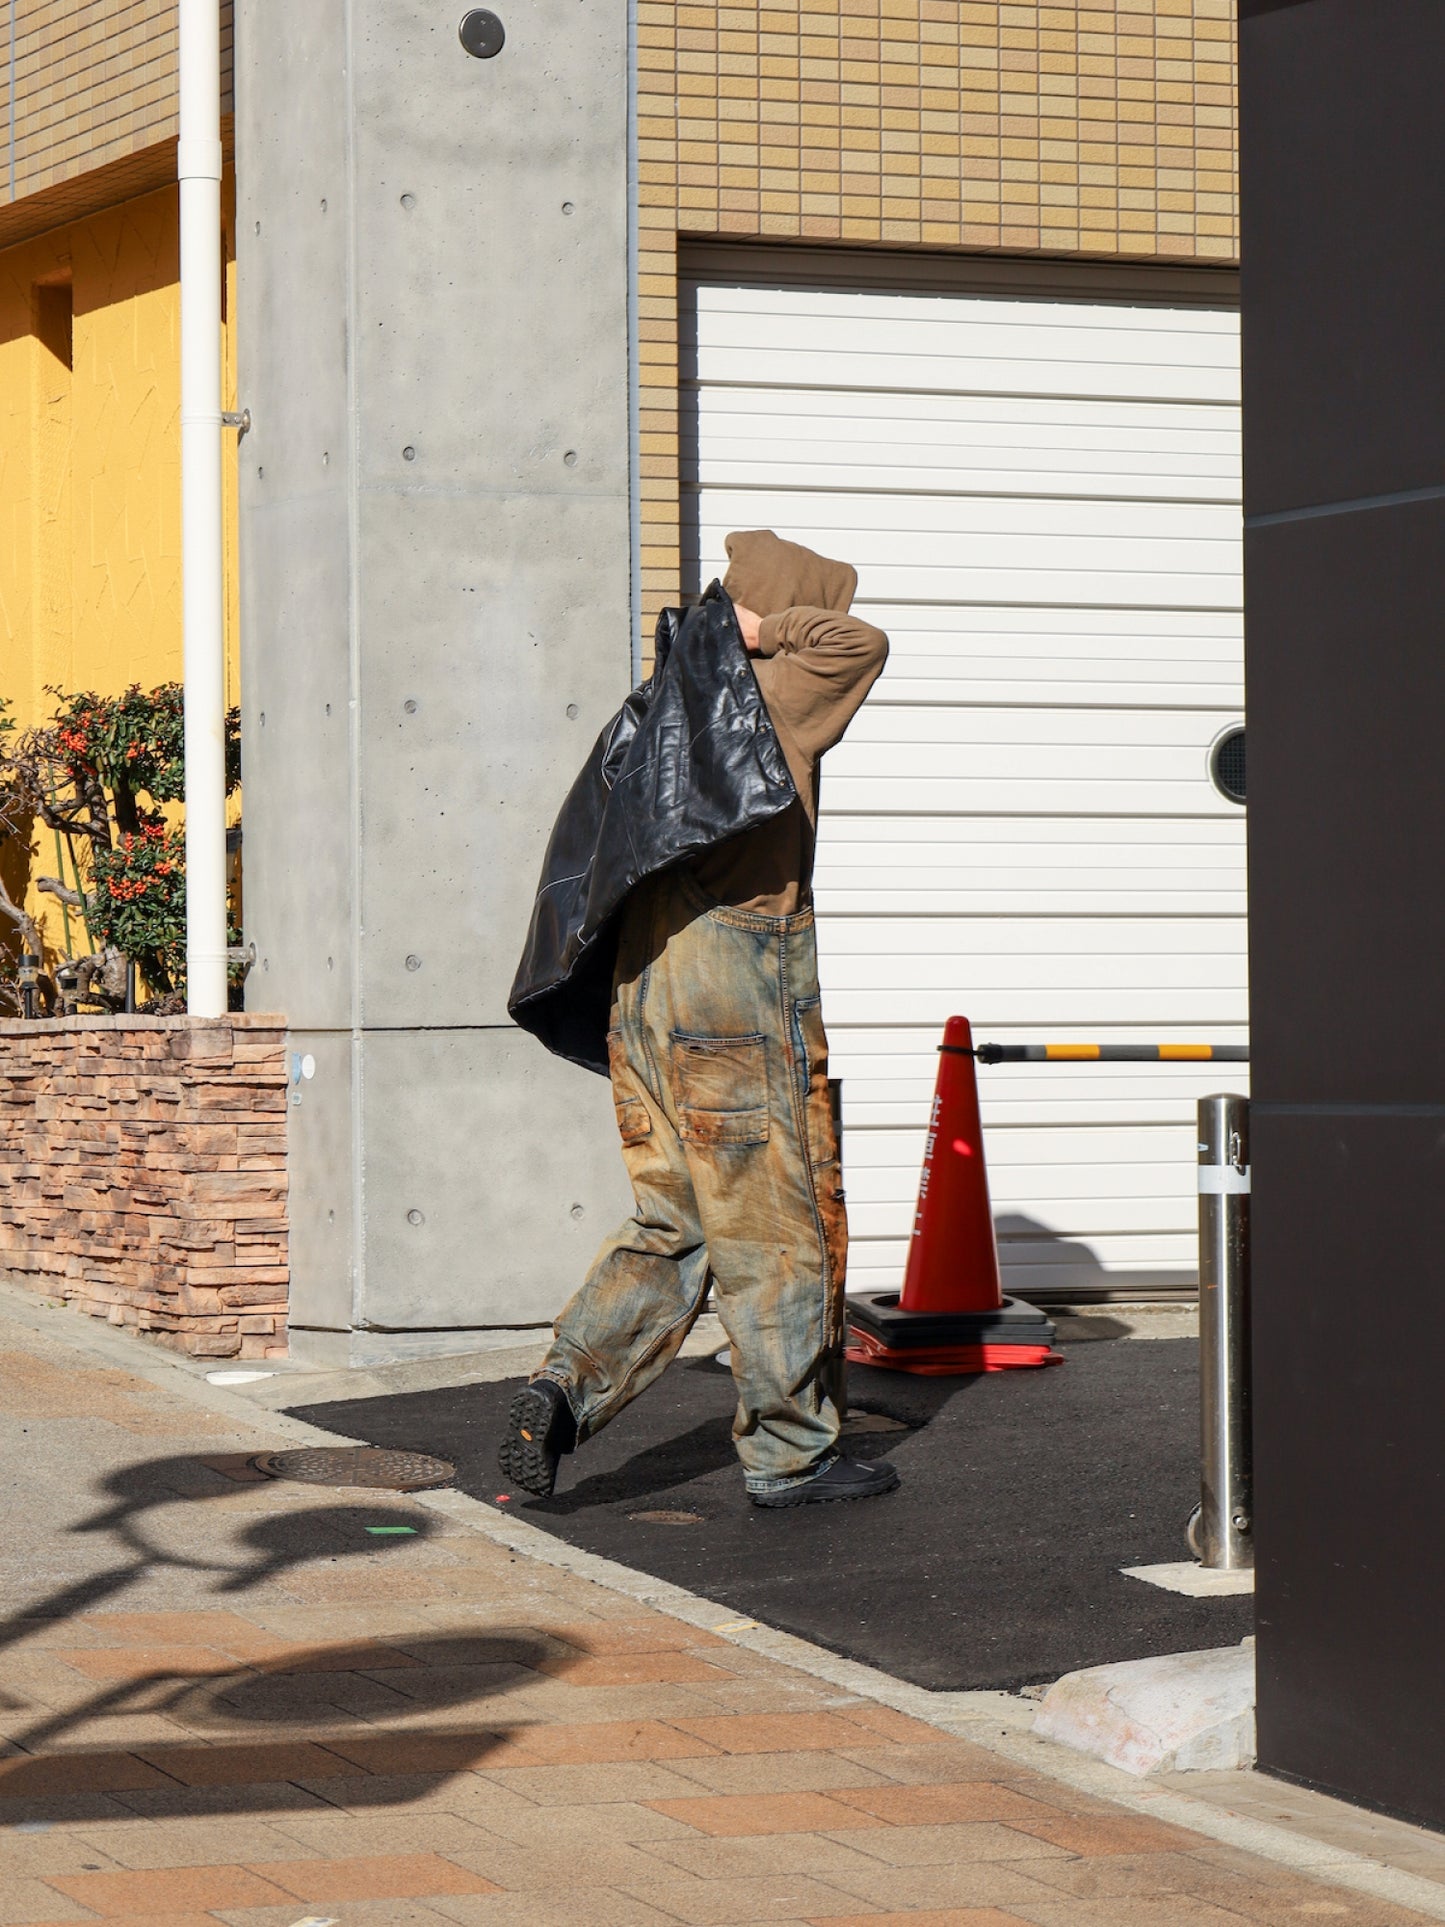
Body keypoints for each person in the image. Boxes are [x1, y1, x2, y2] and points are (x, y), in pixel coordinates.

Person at [500, 530, 896, 1507]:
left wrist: (726, 628)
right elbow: (862, 646)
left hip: (645, 990)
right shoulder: (767, 693)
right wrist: (750, 625)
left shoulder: (658, 710)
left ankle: (560, 1390)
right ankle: (789, 1453)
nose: (826, 626)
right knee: (775, 1224)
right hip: (732, 986)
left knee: (671, 1219)